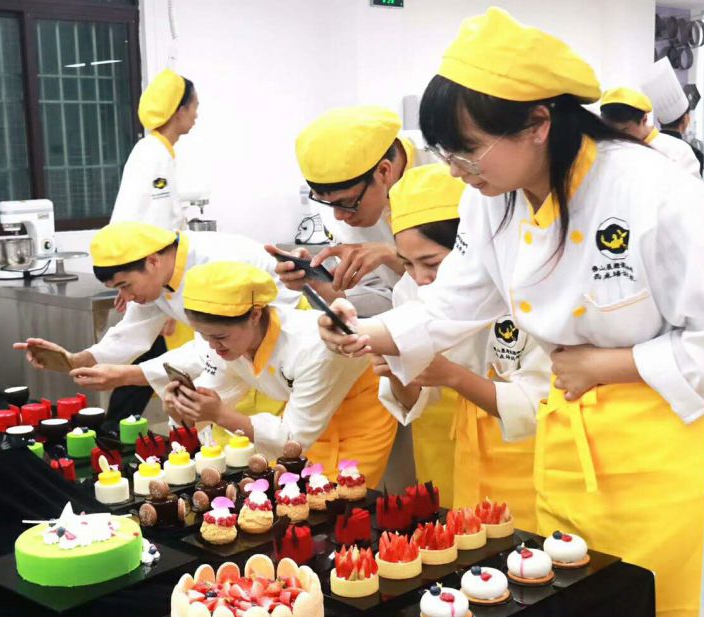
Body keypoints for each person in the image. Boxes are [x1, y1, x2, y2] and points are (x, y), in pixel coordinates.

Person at [316, 9, 704, 617]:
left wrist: (608, 364)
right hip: (564, 448)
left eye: (468, 151)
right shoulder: (493, 197)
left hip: (660, 455)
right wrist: (366, 333)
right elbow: (456, 300)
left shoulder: (656, 193)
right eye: (447, 154)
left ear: (538, 123)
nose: (457, 171)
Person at [373, 163, 549, 519]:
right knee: (452, 532)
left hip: (522, 447)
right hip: (443, 440)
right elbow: (414, 399)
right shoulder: (409, 292)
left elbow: (542, 400)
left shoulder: (532, 290)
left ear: (472, 251)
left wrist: (453, 375)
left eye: (431, 263)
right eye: (407, 264)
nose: (420, 278)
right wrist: (394, 372)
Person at [149, 262, 397, 485]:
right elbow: (215, 399)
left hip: (357, 412)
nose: (213, 347)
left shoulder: (312, 348)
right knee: (288, 488)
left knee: (337, 496)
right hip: (300, 410)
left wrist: (220, 414)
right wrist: (182, 411)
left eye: (220, 337)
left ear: (256, 315)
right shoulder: (223, 340)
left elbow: (294, 441)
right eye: (205, 337)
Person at [13, 222, 301, 393]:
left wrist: (127, 377)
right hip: (239, 359)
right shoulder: (160, 276)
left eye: (126, 285)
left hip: (281, 345)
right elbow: (132, 333)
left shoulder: (214, 265)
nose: (126, 297)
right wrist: (76, 360)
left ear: (151, 261)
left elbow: (209, 350)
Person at [270, 106, 429, 316]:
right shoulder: (335, 207)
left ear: (384, 171)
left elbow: (462, 286)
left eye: (347, 202)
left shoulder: (448, 172)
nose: (339, 216)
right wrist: (320, 284)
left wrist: (394, 256)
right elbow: (387, 299)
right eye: (326, 203)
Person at [111, 69, 198, 230]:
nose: (196, 115)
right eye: (195, 107)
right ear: (181, 111)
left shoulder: (154, 149)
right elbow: (160, 221)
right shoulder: (154, 154)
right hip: (138, 245)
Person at [599, 87, 700, 177]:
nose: (617, 138)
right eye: (611, 132)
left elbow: (692, 189)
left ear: (644, 120)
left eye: (624, 130)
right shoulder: (604, 150)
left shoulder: (678, 152)